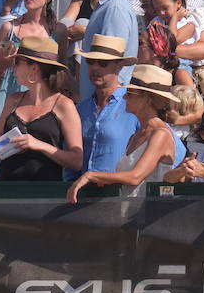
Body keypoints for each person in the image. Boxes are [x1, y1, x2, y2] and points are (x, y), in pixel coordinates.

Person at [67, 65, 183, 201]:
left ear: (146, 99)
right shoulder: (136, 136)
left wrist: (91, 175)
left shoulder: (161, 134)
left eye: (130, 93)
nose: (124, 98)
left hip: (148, 216)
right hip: (130, 215)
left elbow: (135, 177)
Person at [0, 36, 81, 181]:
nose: (13, 67)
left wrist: (39, 145)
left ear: (34, 68)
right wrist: (11, 144)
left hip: (44, 195)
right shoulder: (13, 100)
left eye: (17, 62)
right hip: (7, 190)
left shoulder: (64, 105)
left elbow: (77, 160)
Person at [0, 0, 66, 125]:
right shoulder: (9, 28)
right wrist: (4, 65)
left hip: (44, 99)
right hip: (8, 92)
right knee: (4, 144)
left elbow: (62, 73)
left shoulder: (59, 31)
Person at [70, 34, 141, 178]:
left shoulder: (135, 107)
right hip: (82, 194)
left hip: (117, 193)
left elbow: (169, 144)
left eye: (103, 63)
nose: (94, 67)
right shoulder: (81, 109)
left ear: (119, 67)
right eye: (91, 61)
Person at [77, 0, 138, 101]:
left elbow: (109, 62)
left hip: (103, 105)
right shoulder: (111, 5)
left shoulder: (115, 8)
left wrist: (101, 105)